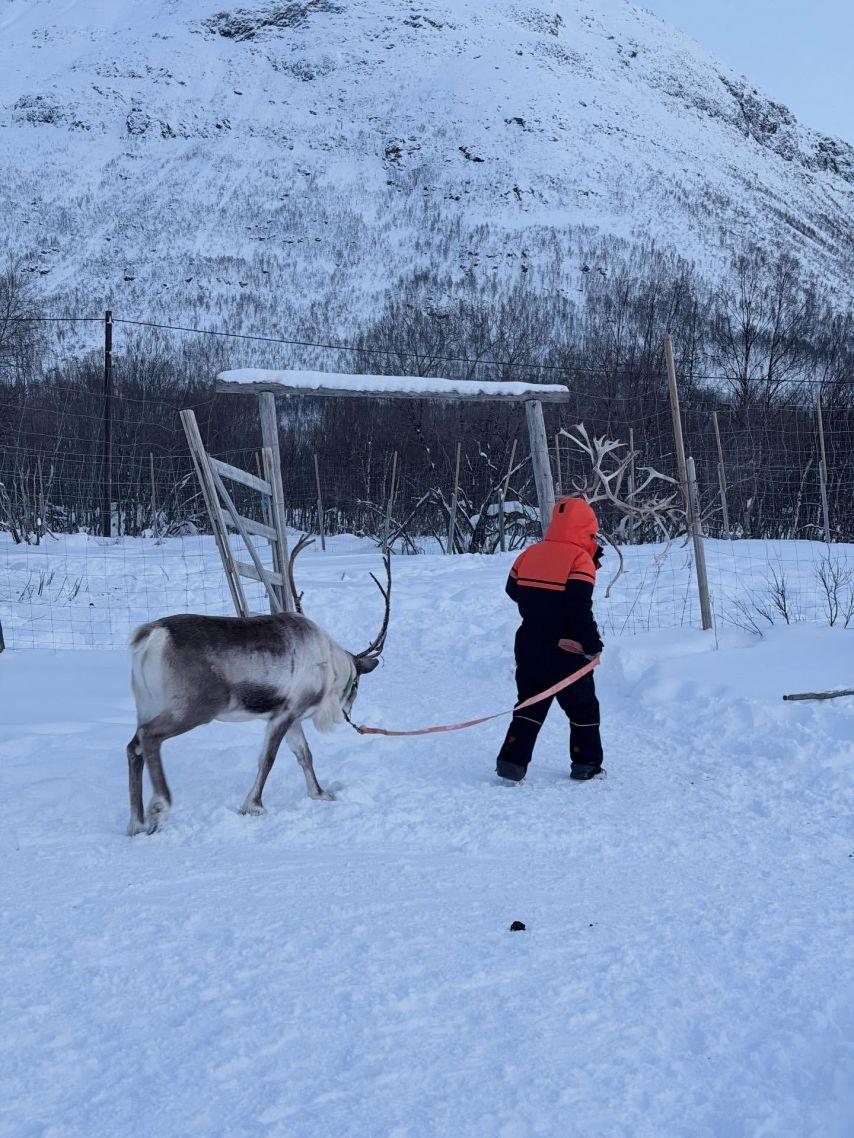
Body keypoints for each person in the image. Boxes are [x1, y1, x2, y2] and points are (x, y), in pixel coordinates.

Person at [495, 497, 605, 783]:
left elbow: (512, 589)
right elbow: (579, 607)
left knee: (529, 704)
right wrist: (592, 644)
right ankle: (586, 763)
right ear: (586, 529)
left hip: (530, 643)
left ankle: (511, 762)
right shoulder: (580, 559)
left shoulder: (529, 553)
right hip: (567, 649)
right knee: (583, 708)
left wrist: (538, 611)